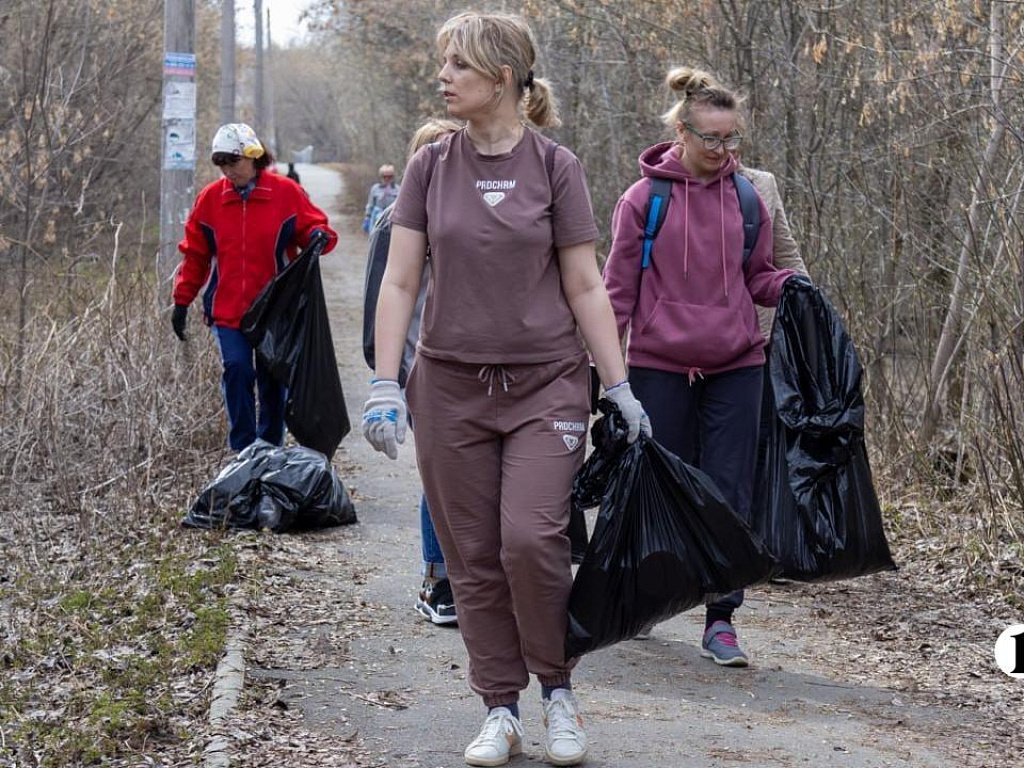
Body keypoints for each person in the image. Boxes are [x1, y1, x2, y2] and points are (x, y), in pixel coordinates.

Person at [361, 11, 650, 767]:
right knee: (473, 557)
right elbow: (400, 280)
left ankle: (557, 691)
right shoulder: (430, 168)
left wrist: (617, 387)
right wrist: (385, 382)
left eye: (458, 64)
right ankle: (500, 708)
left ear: (501, 77)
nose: (443, 77)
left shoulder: (556, 166)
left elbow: (585, 284)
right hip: (449, 388)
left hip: (545, 385)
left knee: (531, 539)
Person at [603, 67, 805, 667]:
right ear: (682, 133)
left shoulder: (747, 197)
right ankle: (646, 596)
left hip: (736, 364)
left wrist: (793, 288)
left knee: (729, 491)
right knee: (657, 486)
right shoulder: (643, 200)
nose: (722, 150)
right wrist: (604, 375)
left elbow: (759, 277)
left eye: (731, 138)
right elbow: (616, 292)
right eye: (711, 138)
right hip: (658, 364)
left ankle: (721, 620)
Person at [171, 122, 338, 451]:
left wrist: (319, 236)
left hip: (275, 311)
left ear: (254, 156)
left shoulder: (285, 193)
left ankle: (269, 447)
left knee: (272, 380)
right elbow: (195, 256)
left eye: (233, 162)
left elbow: (316, 227)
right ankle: (244, 450)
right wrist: (181, 301)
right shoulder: (210, 200)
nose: (228, 171)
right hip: (228, 310)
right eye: (221, 164)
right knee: (237, 371)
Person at [361, 116, 463, 627]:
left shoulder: (475, 220)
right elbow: (379, 304)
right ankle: (439, 579)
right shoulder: (394, 223)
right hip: (418, 367)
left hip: (472, 367)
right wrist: (388, 383)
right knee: (441, 476)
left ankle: (476, 580)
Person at [362, 163, 399, 233]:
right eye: (384, 176)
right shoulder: (375, 188)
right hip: (376, 218)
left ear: (393, 177)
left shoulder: (398, 189)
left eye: (389, 177)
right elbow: (370, 204)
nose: (387, 179)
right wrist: (367, 217)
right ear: (381, 177)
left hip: (391, 219)